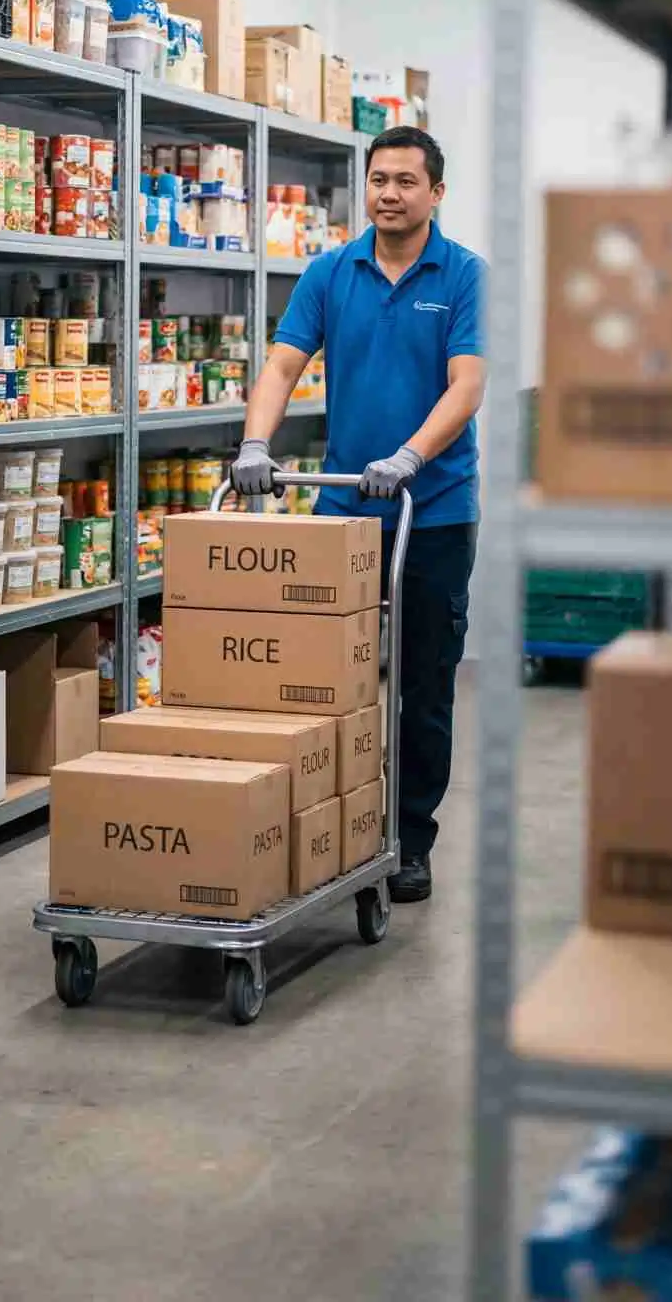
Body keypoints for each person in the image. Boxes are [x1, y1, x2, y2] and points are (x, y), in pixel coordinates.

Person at [231, 126, 486, 903]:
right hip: (342, 510)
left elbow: (467, 385)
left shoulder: (465, 275)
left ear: (436, 193)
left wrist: (410, 456)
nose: (389, 194)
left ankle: (408, 839)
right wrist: (255, 441)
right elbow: (283, 364)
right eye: (379, 180)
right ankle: (321, 823)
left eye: (407, 181)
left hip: (431, 511)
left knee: (422, 686)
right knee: (317, 680)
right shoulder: (330, 271)